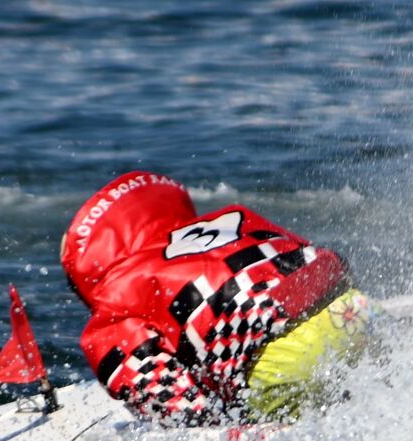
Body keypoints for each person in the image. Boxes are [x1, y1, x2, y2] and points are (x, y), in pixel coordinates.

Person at [60, 171, 375, 426]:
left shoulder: (118, 297)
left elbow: (171, 401)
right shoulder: (235, 218)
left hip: (283, 358)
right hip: (354, 310)